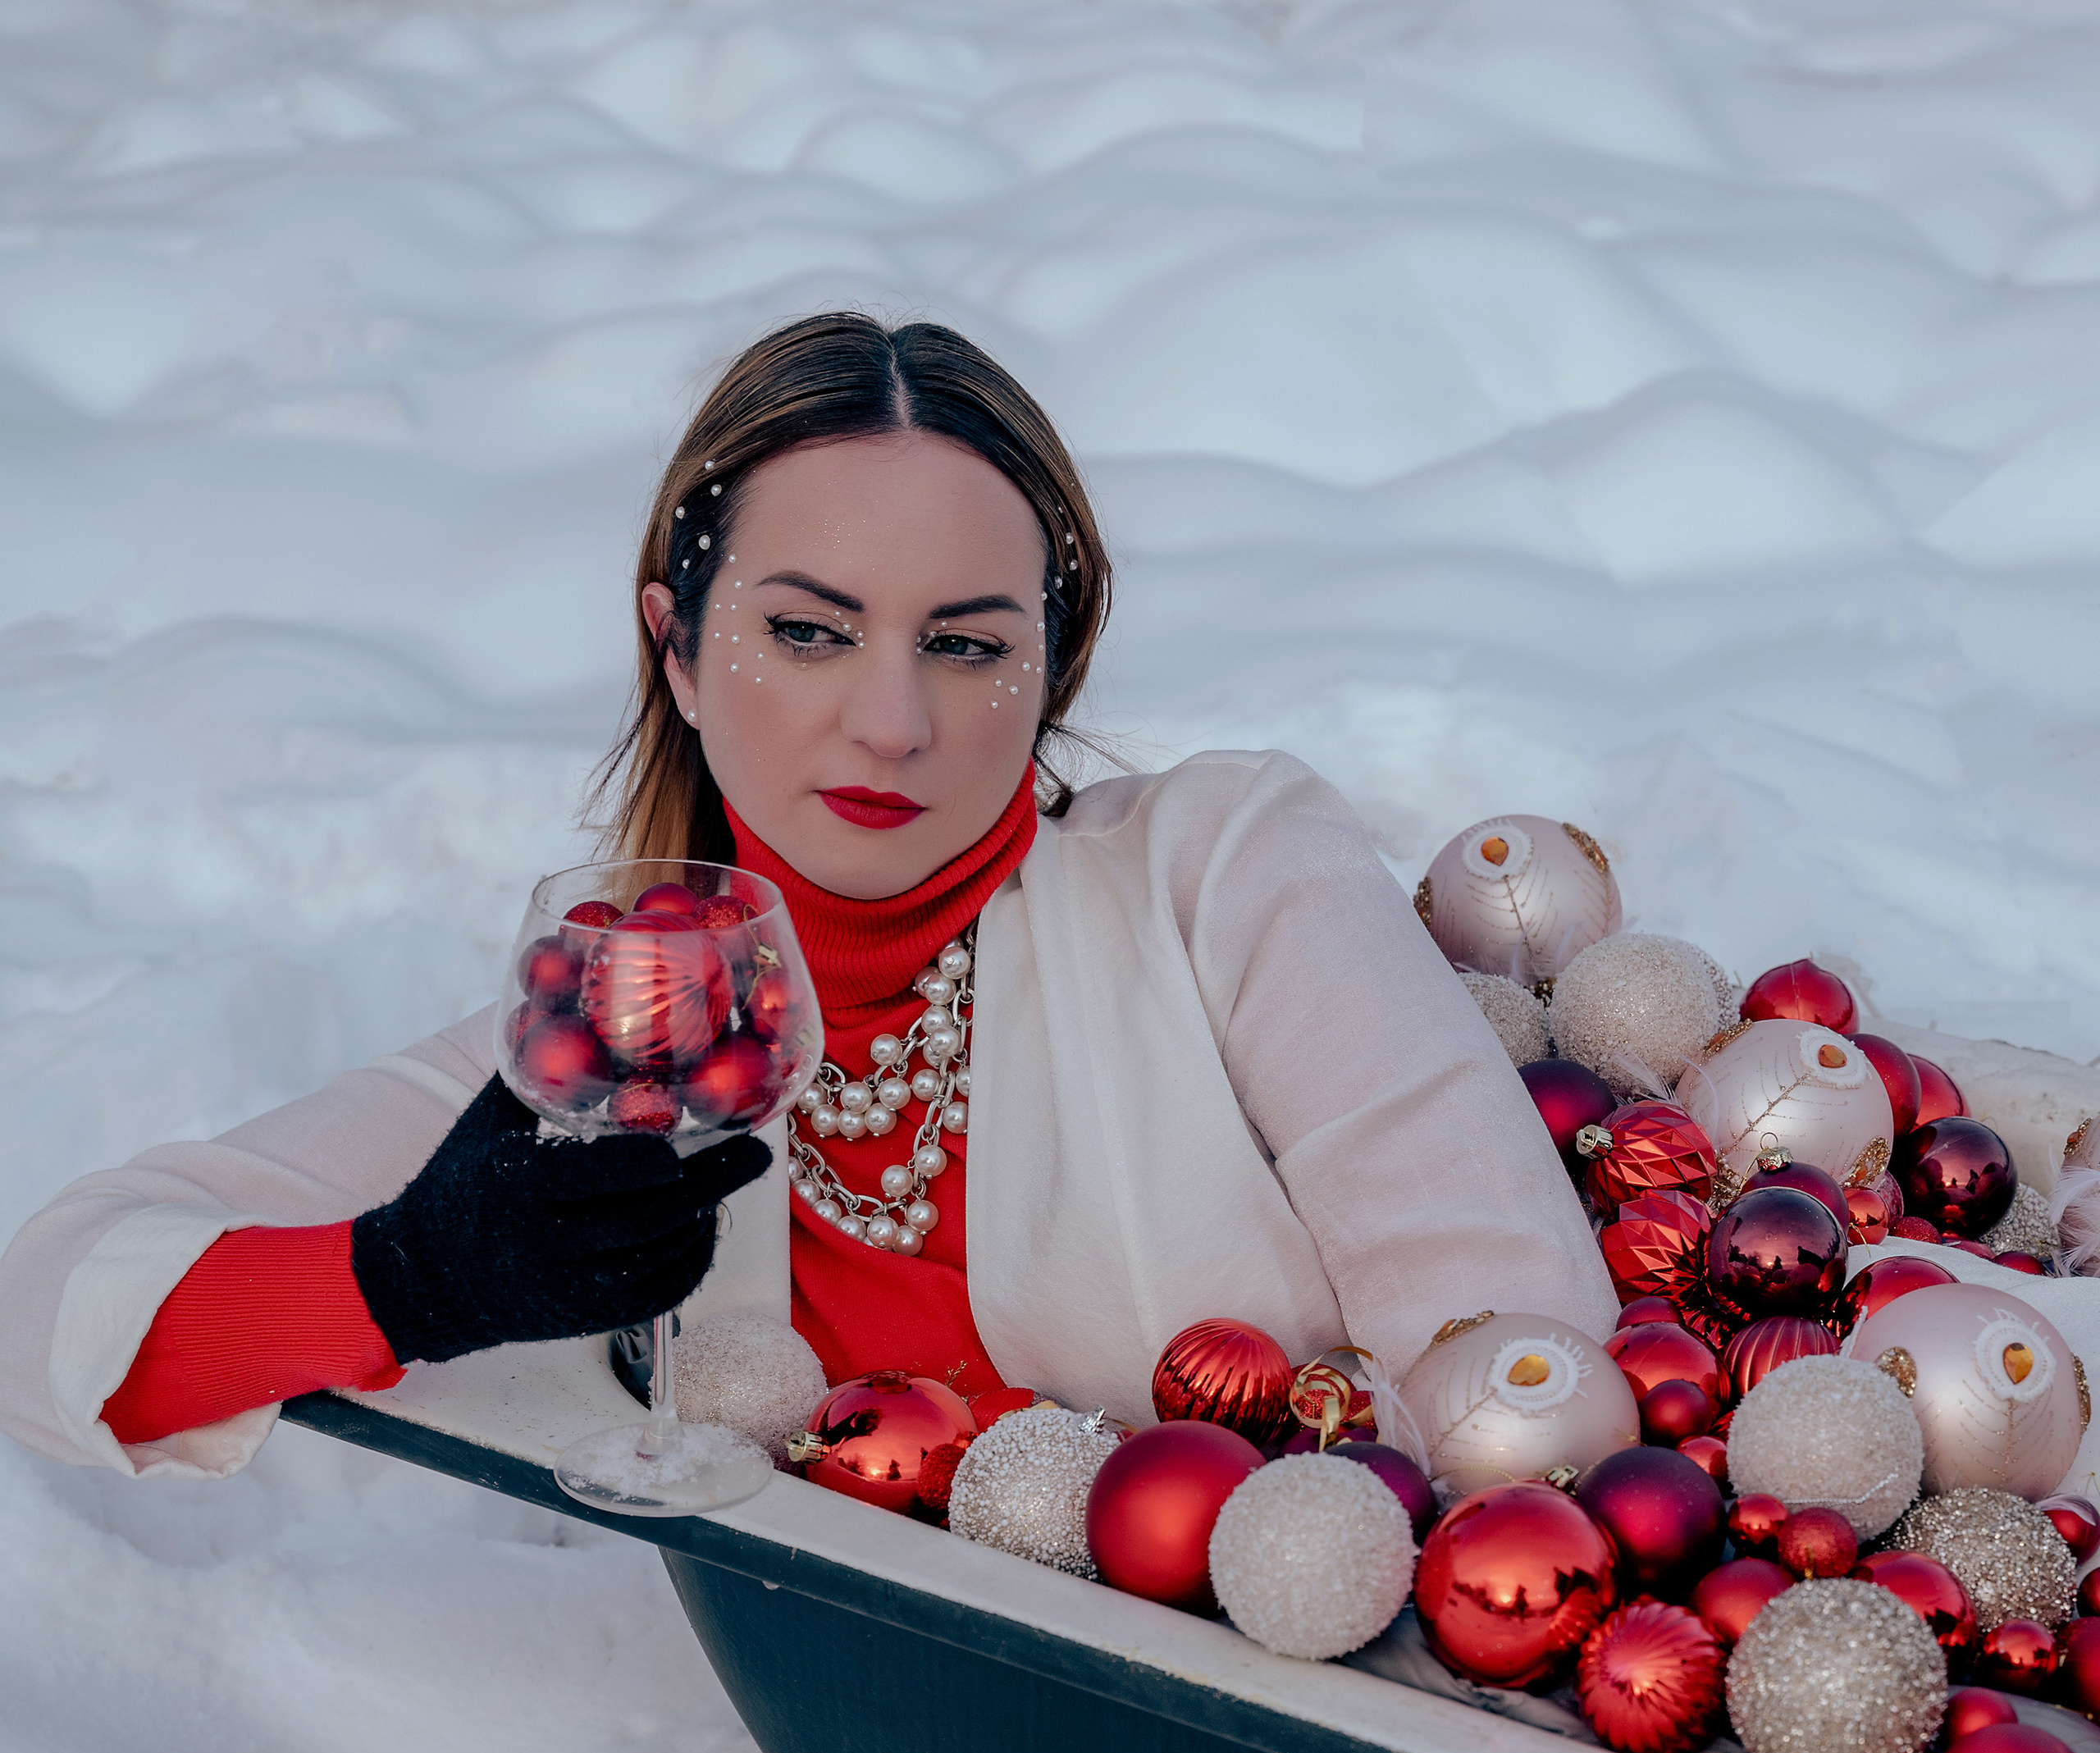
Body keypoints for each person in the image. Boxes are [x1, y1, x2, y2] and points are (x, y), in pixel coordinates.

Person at [0, 311, 1615, 1482]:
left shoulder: (1225, 873)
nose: (892, 722)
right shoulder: (616, 1055)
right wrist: (412, 1273)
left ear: (1048, 671)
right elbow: (48, 1310)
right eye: (807, 630)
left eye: (967, 643)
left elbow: (1525, 1377)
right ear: (677, 649)